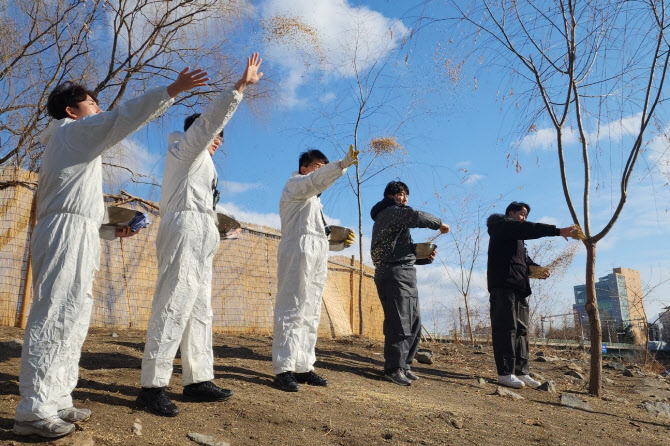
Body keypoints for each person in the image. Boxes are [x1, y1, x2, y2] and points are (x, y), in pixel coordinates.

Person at [14, 68, 209, 438]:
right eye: (92, 103)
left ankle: (56, 398)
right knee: (55, 311)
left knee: (73, 315)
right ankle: (32, 410)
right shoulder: (71, 132)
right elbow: (121, 119)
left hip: (80, 231)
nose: (99, 109)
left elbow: (81, 204)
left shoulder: (76, 146)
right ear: (72, 111)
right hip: (64, 232)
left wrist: (109, 228)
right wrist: (171, 91)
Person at [137, 54, 263, 416]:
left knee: (199, 309)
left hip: (201, 234)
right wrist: (240, 87)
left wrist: (221, 230)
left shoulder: (202, 168)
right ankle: (152, 386)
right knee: (174, 303)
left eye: (222, 138)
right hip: (184, 230)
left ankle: (197, 379)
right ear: (198, 132)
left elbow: (204, 206)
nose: (219, 140)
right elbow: (208, 124)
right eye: (215, 135)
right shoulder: (185, 150)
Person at [273, 146, 359, 392]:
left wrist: (339, 242)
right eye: (317, 166)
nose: (320, 172)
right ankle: (283, 369)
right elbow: (315, 182)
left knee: (310, 311)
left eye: (325, 167)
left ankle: (303, 366)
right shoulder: (296, 185)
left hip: (315, 255)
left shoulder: (315, 204)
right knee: (291, 308)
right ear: (304, 168)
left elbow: (318, 237)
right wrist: (340, 165)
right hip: (296, 251)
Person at [370, 181, 450, 386]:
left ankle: (405, 365)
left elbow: (400, 250)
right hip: (394, 273)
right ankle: (393, 368)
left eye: (406, 195)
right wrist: (438, 223)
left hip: (404, 273)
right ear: (390, 196)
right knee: (399, 322)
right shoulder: (390, 211)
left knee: (413, 322)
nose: (405, 198)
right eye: (401, 194)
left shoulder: (393, 218)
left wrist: (424, 257)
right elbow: (416, 216)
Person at [486, 201, 573, 389]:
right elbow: (529, 229)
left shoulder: (518, 240)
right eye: (522, 214)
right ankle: (505, 373)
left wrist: (538, 270)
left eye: (526, 215)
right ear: (511, 213)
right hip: (503, 285)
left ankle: (521, 371)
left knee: (521, 330)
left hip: (520, 287)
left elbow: (524, 261)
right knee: (506, 328)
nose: (524, 218)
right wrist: (558, 231)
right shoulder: (501, 226)